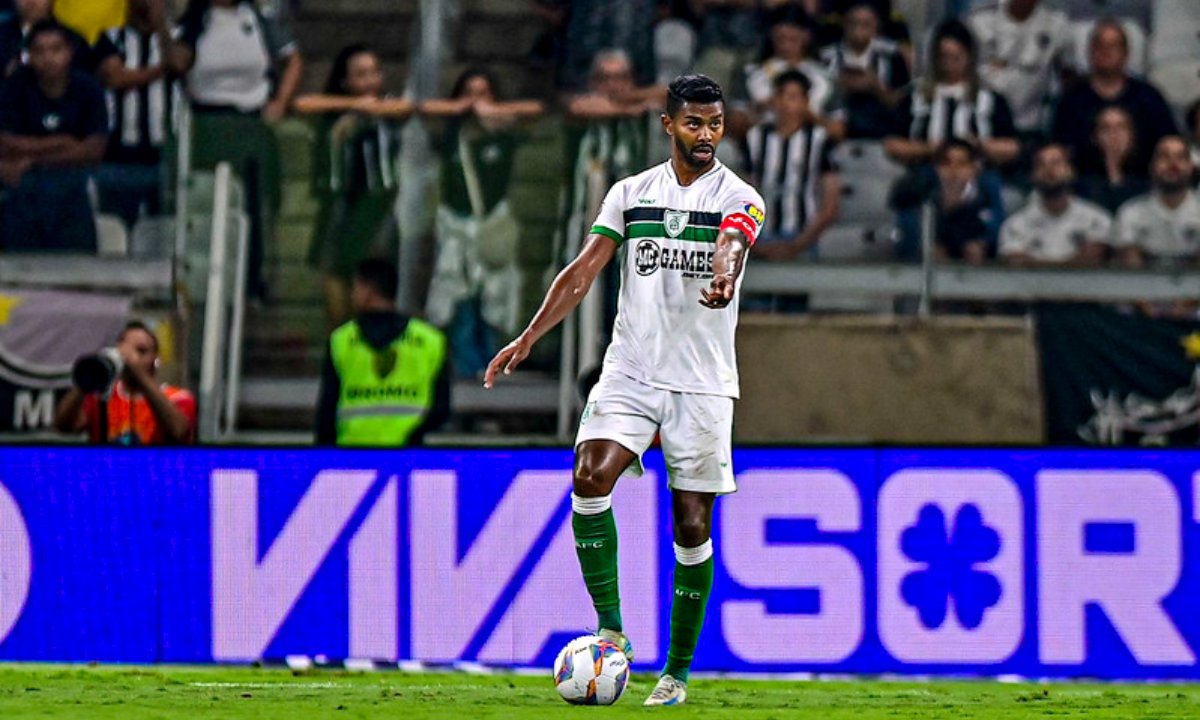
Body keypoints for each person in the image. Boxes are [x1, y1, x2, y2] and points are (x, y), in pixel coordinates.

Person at [484, 74, 766, 707]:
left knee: (691, 526)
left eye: (715, 124)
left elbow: (731, 245)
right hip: (631, 370)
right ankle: (612, 627)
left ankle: (677, 672)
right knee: (589, 475)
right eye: (694, 123)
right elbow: (584, 271)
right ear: (667, 124)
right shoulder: (630, 193)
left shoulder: (740, 196)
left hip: (701, 382)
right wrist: (529, 337)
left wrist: (723, 280)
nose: (706, 135)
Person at [174, 0, 305, 300]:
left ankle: (252, 282)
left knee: (253, 204)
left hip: (249, 119)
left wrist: (280, 103)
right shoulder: (193, 22)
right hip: (205, 121)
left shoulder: (259, 17)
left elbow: (293, 59)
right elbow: (177, 63)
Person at [421, 68, 544, 378]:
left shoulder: (503, 134)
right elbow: (421, 109)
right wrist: (463, 109)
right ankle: (467, 370)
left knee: (493, 303)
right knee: (460, 303)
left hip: (491, 227)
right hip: (456, 228)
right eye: (469, 92)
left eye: (483, 93)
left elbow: (535, 110)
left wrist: (492, 112)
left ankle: (492, 371)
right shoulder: (451, 137)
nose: (476, 102)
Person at [294, 44, 413, 329]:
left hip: (378, 201)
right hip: (339, 200)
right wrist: (352, 107)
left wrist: (371, 109)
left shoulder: (388, 107)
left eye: (374, 72)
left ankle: (373, 333)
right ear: (345, 81)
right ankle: (342, 335)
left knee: (375, 270)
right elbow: (302, 104)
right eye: (361, 74)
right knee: (333, 269)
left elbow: (407, 107)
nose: (370, 80)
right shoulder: (333, 112)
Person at [314, 258, 450, 447]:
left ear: (367, 291)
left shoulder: (341, 340)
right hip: (411, 460)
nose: (352, 294)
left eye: (355, 287)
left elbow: (326, 413)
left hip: (351, 461)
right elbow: (441, 409)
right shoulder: (430, 340)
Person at [0, 20, 107, 252]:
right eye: (39, 50)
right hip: (24, 198)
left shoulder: (87, 89)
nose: (48, 58)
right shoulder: (15, 86)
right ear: (29, 54)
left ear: (70, 51)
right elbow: (5, 142)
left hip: (72, 197)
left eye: (56, 49)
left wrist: (32, 158)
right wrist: (61, 142)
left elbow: (92, 150)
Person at [92, 0, 182, 229]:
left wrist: (162, 25)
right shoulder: (111, 37)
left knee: (164, 227)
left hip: (164, 153)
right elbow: (114, 77)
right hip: (119, 154)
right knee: (114, 226)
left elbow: (180, 63)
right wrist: (162, 69)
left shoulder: (177, 39)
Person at [885, 19, 1019, 168]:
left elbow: (1012, 147)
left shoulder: (990, 98)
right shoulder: (914, 95)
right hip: (926, 174)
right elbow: (892, 144)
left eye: (956, 58)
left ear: (969, 56)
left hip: (977, 175)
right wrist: (927, 149)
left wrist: (980, 145)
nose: (950, 65)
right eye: (944, 57)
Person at [1051, 19, 1176, 177]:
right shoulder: (1071, 100)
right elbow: (1059, 151)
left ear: (1126, 53)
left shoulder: (1149, 98)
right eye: (1099, 45)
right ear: (1089, 51)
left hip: (1143, 186)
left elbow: (1168, 146)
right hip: (1083, 187)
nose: (1106, 51)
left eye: (1113, 46)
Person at [743, 70, 841, 273]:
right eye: (782, 97)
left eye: (794, 98)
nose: (787, 104)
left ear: (805, 102)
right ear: (774, 100)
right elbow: (743, 195)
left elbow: (830, 204)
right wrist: (756, 244)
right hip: (761, 236)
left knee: (793, 303)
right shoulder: (754, 138)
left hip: (802, 235)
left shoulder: (820, 141)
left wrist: (798, 244)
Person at [54, 320, 196, 445]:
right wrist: (88, 377)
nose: (131, 357)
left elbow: (180, 432)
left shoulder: (178, 397)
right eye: (123, 349)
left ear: (155, 359)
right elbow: (65, 426)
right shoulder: (103, 396)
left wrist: (138, 373)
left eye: (142, 351)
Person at [967, 0, 1073, 140]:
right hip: (984, 120)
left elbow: (1069, 75)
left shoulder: (1056, 24)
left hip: (1031, 125)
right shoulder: (980, 21)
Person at [738, 6, 846, 141]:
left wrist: (807, 114)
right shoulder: (752, 74)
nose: (786, 46)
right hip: (762, 143)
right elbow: (734, 126)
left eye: (792, 39)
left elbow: (839, 131)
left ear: (806, 36)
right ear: (772, 35)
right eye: (781, 39)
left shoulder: (825, 77)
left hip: (812, 146)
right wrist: (762, 108)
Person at [889, 138, 1001, 264]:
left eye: (962, 164)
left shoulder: (985, 194)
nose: (953, 170)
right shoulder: (924, 194)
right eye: (946, 163)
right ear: (937, 168)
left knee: (974, 250)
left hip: (974, 254)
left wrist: (982, 243)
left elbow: (996, 225)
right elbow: (907, 227)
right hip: (933, 258)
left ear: (974, 168)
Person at [998, 143, 1111, 266]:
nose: (1049, 170)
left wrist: (1036, 262)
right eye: (1041, 165)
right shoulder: (1015, 225)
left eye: (1056, 163)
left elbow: (1093, 258)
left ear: (1071, 171)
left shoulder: (1097, 219)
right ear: (1032, 175)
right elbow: (1016, 261)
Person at [817, 1, 909, 139]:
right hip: (839, 129)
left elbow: (900, 102)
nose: (858, 31)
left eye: (866, 25)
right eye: (853, 24)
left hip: (881, 131)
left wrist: (875, 85)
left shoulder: (891, 55)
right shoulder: (827, 57)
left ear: (876, 26)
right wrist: (840, 87)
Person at [1114, 136, 1200, 270]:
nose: (1173, 164)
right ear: (1152, 165)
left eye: (1181, 157)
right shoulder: (1130, 213)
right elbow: (1130, 265)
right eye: (1164, 157)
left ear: (1191, 167)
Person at [1075, 105, 1149, 215]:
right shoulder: (1082, 186)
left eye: (1121, 127)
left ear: (1132, 135)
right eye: (1106, 128)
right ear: (1095, 137)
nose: (1114, 134)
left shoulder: (1148, 183)